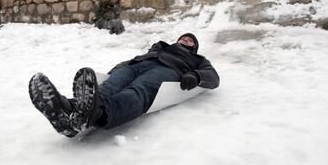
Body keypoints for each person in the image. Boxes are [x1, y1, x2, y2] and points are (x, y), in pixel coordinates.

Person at [28, 33, 219, 137]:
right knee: (108, 87)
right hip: (136, 65)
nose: (185, 40)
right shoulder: (160, 47)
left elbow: (213, 77)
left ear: (194, 47)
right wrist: (117, 68)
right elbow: (132, 59)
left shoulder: (198, 59)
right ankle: (67, 109)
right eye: (183, 38)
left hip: (167, 71)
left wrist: (195, 74)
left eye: (190, 40)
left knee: (138, 91)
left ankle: (99, 113)